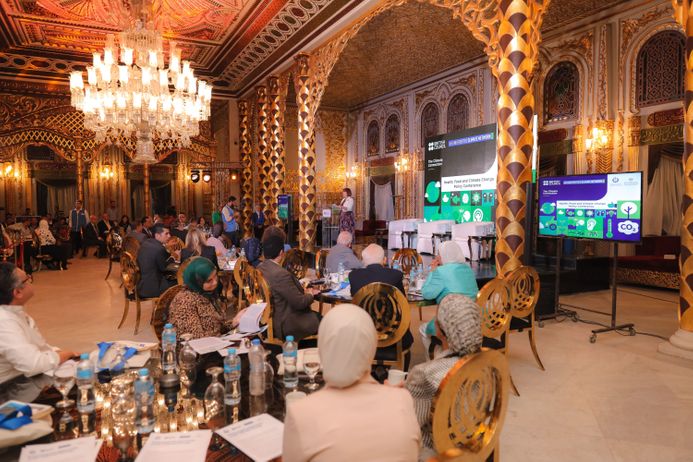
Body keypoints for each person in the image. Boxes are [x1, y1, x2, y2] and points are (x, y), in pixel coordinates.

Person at [283, 304, 420, 462]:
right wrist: (392, 396)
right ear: (372, 346)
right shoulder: (402, 400)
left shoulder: (301, 413)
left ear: (322, 347)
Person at [405, 294, 482, 460]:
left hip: (438, 451)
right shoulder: (489, 362)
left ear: (440, 330)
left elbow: (411, 427)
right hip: (477, 440)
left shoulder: (424, 374)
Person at [0, 262, 76, 383]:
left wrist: (58, 352)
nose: (31, 280)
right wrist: (65, 355)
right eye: (27, 279)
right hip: (11, 389)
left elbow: (39, 346)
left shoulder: (15, 312)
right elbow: (32, 364)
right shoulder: (4, 322)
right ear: (17, 292)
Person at [258, 232, 320, 341]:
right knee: (326, 321)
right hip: (286, 323)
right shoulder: (280, 274)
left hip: (268, 318)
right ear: (281, 253)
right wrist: (310, 294)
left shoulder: (260, 268)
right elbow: (299, 303)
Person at [420, 241, 479, 352]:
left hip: (451, 320)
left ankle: (436, 361)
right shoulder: (469, 270)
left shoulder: (440, 271)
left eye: (439, 253)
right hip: (473, 317)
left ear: (445, 255)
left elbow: (427, 294)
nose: (437, 257)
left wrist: (432, 272)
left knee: (423, 329)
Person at [168, 258, 232, 339]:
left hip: (215, 344)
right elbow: (194, 339)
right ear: (196, 282)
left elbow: (218, 326)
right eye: (209, 281)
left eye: (215, 276)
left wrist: (234, 322)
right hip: (196, 349)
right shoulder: (184, 301)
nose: (215, 282)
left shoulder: (206, 293)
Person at [137, 223, 176, 298]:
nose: (169, 236)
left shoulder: (145, 243)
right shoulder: (159, 249)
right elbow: (165, 269)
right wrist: (174, 258)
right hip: (153, 288)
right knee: (181, 282)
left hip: (142, 284)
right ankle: (169, 308)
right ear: (157, 235)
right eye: (166, 234)